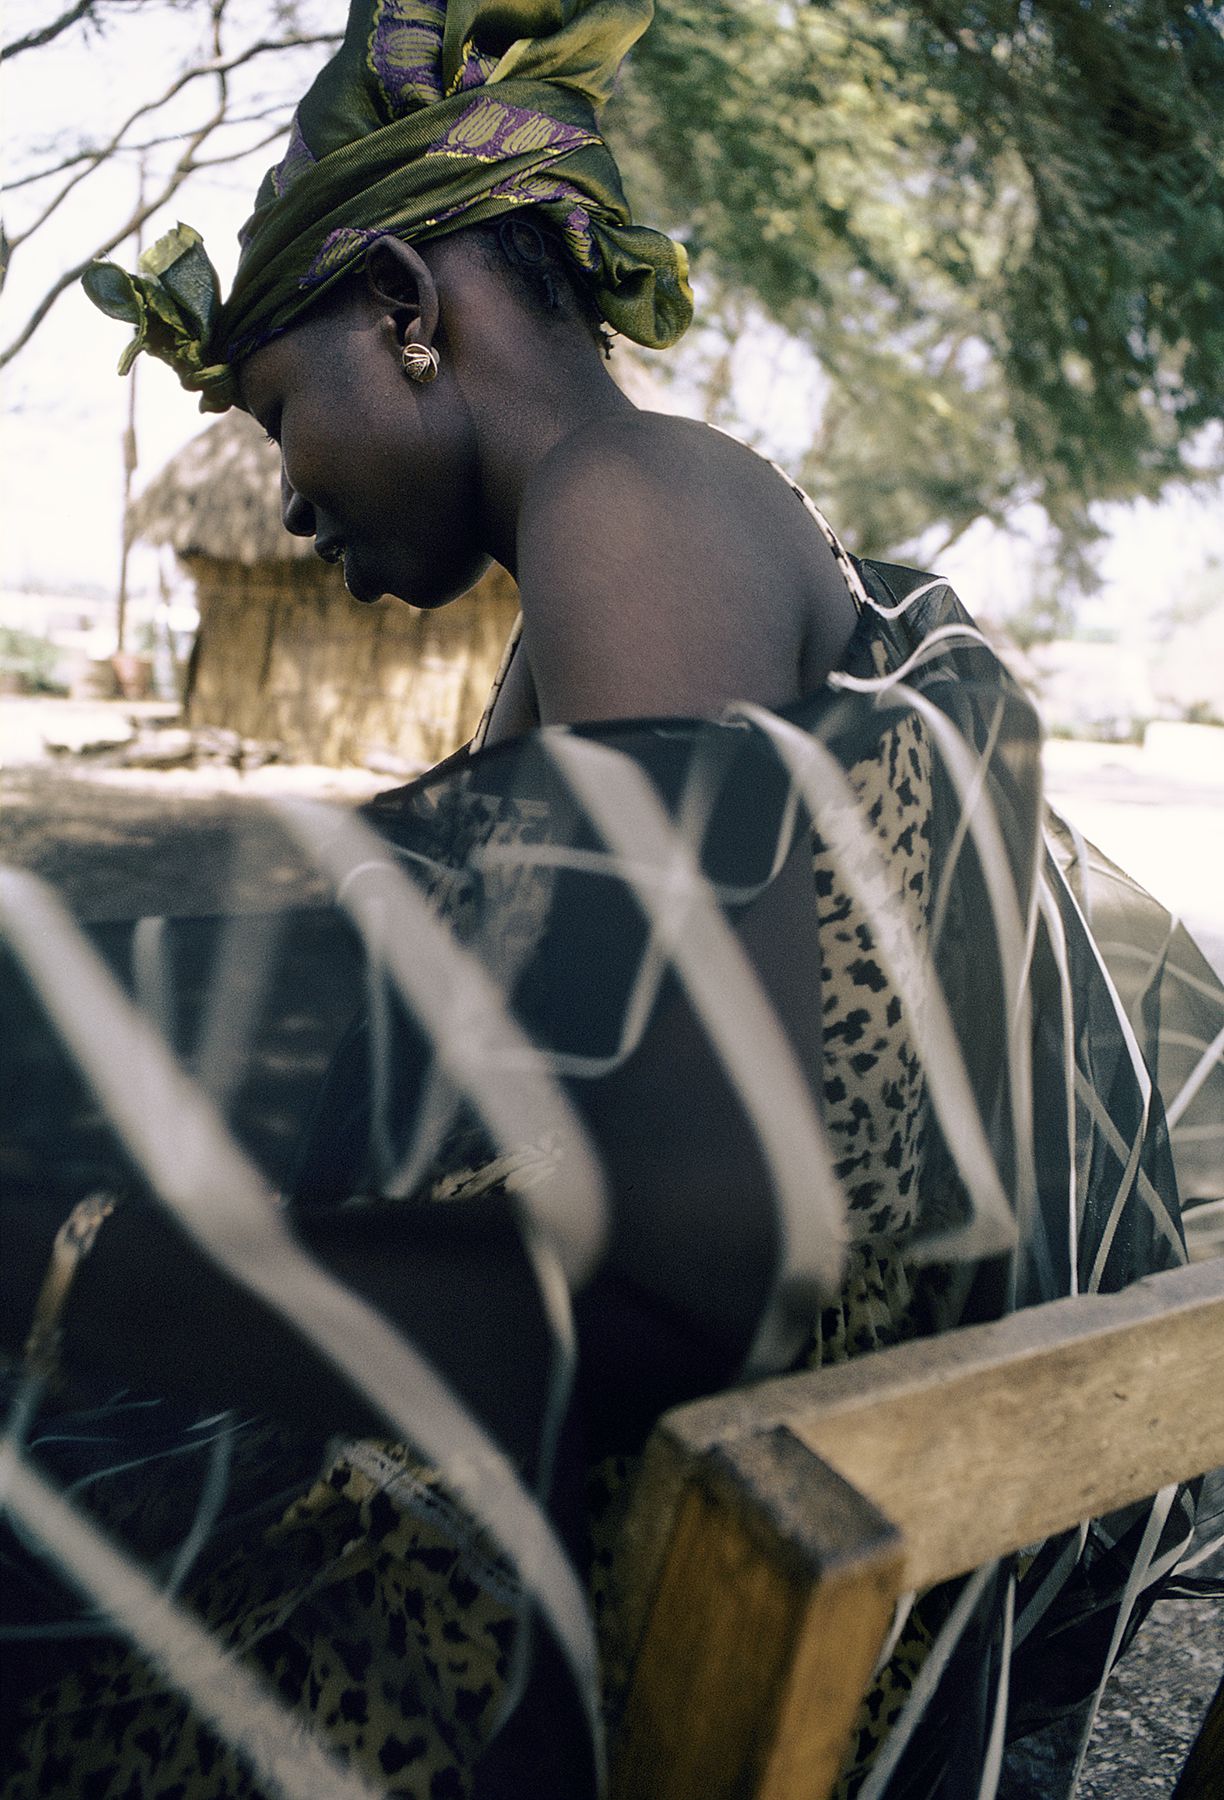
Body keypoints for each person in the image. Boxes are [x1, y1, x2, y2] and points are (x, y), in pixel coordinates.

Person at [3, 2, 1219, 1796]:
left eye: (275, 414)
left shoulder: (629, 507)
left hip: (626, 1583)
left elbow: (687, 1289)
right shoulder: (671, 527)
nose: (294, 504)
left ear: (411, 315)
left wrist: (79, 1274)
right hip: (726, 1486)